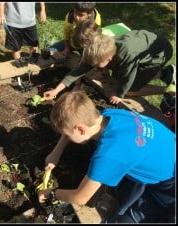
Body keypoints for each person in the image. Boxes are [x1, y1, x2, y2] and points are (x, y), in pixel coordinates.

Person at [38, 90, 175, 223]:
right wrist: (56, 153)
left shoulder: (109, 154)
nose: (66, 137)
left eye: (67, 135)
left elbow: (80, 198)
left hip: (170, 186)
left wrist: (50, 193)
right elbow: (70, 126)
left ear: (80, 129)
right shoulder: (110, 115)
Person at [44, 30, 175, 105]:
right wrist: (56, 91)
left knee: (130, 89)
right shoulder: (99, 49)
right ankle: (165, 73)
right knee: (118, 77)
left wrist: (119, 94)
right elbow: (77, 71)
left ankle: (168, 90)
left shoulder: (127, 56)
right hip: (145, 45)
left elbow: (127, 79)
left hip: (159, 53)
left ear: (109, 59)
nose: (93, 67)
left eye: (95, 65)